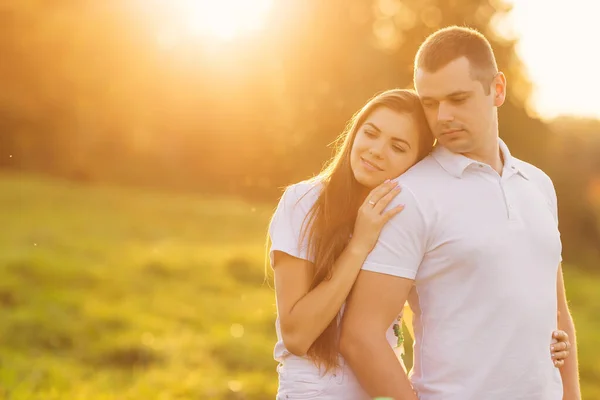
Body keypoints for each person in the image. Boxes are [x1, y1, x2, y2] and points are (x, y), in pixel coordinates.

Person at [268, 88, 572, 400]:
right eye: (370, 133)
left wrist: (531, 343)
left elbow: (438, 311)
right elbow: (297, 335)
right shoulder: (304, 202)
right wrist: (359, 244)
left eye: (397, 147)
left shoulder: (404, 212)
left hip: (382, 391)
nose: (376, 150)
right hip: (314, 392)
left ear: (417, 164)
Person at [338, 26, 580, 400]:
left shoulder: (538, 185)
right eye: (430, 103)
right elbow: (360, 335)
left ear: (497, 89)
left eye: (458, 98)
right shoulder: (410, 196)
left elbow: (558, 312)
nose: (442, 116)